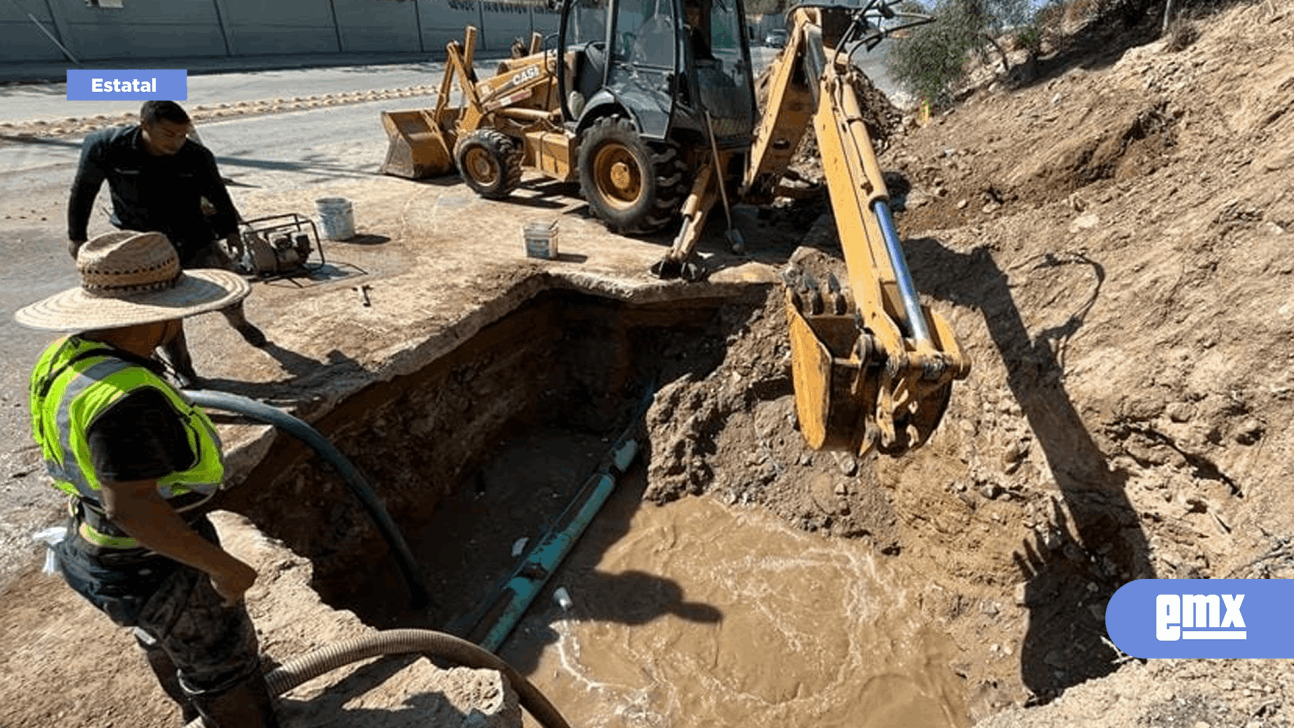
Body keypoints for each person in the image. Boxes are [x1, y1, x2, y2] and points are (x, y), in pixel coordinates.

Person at [16, 230, 279, 727]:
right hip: (153, 561)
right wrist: (222, 567)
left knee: (160, 635)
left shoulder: (67, 356)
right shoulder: (128, 402)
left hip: (95, 544)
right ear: (158, 313)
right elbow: (133, 509)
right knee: (219, 660)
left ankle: (196, 710)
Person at [67, 99, 267, 387]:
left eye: (182, 134)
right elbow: (83, 189)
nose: (176, 142)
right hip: (142, 244)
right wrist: (76, 235)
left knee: (229, 286)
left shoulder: (196, 156)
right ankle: (184, 370)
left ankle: (240, 323)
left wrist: (230, 231)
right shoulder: (106, 146)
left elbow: (217, 193)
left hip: (193, 234)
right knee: (163, 310)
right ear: (144, 127)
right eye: (168, 134)